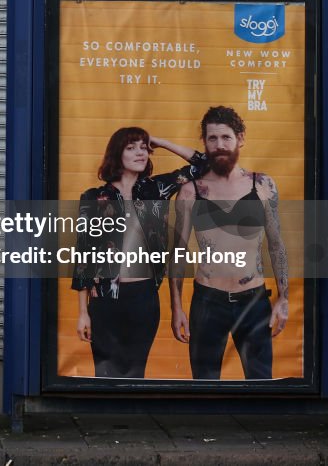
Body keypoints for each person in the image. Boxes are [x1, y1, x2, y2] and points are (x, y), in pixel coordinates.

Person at [73, 128, 207, 378]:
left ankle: (129, 417)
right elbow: (83, 256)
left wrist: (159, 140)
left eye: (143, 147)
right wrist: (83, 313)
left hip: (143, 297)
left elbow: (205, 164)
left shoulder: (157, 189)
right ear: (116, 153)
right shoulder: (94, 197)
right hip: (104, 300)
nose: (140, 152)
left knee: (135, 373)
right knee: (105, 373)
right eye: (131, 147)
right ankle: (110, 417)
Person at [169, 105, 287, 380]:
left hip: (254, 299)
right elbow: (178, 253)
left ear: (240, 138)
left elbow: (276, 244)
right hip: (208, 300)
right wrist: (176, 308)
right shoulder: (191, 191)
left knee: (260, 383)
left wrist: (283, 298)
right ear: (205, 143)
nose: (219, 145)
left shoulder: (262, 185)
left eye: (226, 137)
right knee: (205, 384)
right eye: (212, 138)